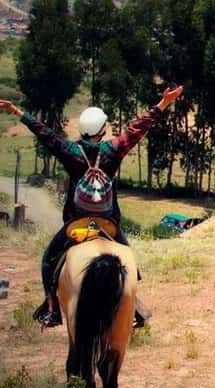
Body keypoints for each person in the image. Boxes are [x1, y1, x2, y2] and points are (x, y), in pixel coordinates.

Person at [0, 86, 183, 328]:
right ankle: (134, 307)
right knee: (131, 267)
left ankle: (52, 309)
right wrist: (163, 104)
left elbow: (44, 133)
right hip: (108, 222)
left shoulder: (70, 151)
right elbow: (138, 128)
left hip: (75, 223)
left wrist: (17, 111)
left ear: (84, 131)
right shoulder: (112, 150)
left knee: (47, 261)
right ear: (103, 130)